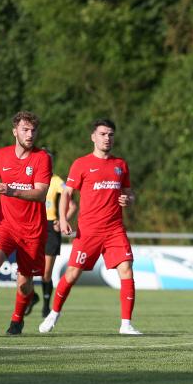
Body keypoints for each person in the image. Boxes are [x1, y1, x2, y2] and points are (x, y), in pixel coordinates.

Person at [39, 119, 140, 335]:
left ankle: (126, 324)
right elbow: (67, 193)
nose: (107, 138)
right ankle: (54, 313)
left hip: (114, 229)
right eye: (103, 134)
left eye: (110, 134)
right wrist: (64, 219)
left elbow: (129, 193)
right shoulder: (81, 164)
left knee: (126, 269)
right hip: (89, 231)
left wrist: (128, 200)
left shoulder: (120, 165)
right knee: (73, 274)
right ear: (93, 137)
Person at [0, 111, 51, 336]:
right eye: (25, 129)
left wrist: (11, 190)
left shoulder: (42, 158)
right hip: (5, 225)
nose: (30, 134)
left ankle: (17, 321)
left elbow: (41, 194)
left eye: (33, 130)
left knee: (24, 283)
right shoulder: (1, 155)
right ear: (15, 131)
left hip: (33, 231)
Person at [28, 149, 78, 318]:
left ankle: (46, 306)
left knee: (46, 272)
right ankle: (31, 296)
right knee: (25, 270)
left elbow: (72, 205)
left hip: (50, 227)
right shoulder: (30, 179)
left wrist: (62, 220)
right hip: (32, 226)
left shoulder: (57, 181)